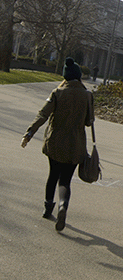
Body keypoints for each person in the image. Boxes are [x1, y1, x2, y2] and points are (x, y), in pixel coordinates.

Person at [21, 59, 93, 232]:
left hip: (55, 142)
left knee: (53, 174)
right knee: (66, 180)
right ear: (78, 76)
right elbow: (89, 122)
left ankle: (48, 208)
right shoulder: (87, 95)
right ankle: (63, 205)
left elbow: (43, 114)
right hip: (76, 144)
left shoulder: (57, 93)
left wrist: (29, 133)